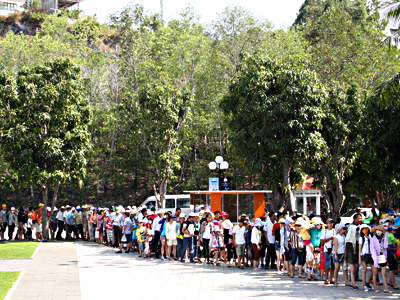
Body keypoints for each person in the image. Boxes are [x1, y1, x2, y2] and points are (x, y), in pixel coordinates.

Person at [370, 225, 392, 293]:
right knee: (375, 273)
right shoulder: (373, 239)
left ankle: (386, 288)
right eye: (378, 230)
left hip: (382, 256)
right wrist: (375, 258)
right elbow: (372, 249)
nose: (379, 232)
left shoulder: (383, 238)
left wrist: (385, 237)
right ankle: (375, 287)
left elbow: (385, 246)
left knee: (384, 273)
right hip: (375, 256)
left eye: (381, 231)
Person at [344, 213, 362, 290]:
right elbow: (348, 241)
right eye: (358, 218)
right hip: (351, 249)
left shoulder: (360, 227)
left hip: (357, 248)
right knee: (352, 269)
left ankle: (353, 282)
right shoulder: (351, 227)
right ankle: (353, 283)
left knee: (355, 268)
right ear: (354, 219)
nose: (360, 220)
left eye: (360, 218)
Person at [358, 224, 374, 292]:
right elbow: (359, 249)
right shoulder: (361, 238)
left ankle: (367, 282)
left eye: (366, 229)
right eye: (364, 229)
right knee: (364, 270)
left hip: (370, 254)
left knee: (373, 270)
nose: (365, 230)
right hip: (364, 255)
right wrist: (359, 258)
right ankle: (364, 284)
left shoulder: (370, 236)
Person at [320, 218, 335, 284]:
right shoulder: (324, 231)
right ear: (327, 224)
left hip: (333, 249)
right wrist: (329, 239)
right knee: (327, 264)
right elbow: (322, 241)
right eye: (329, 223)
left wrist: (334, 242)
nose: (331, 224)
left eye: (332, 223)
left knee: (333, 264)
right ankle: (326, 278)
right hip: (327, 249)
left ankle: (332, 278)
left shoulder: (334, 231)